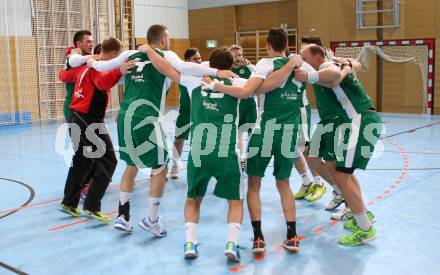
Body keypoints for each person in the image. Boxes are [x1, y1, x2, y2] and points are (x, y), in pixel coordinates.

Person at [84, 24, 236, 235]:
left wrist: (90, 60)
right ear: (163, 39)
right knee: (161, 166)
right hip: (145, 116)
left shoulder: (130, 53)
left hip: (125, 114)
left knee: (132, 164)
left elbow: (102, 67)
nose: (170, 40)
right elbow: (185, 67)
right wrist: (216, 71)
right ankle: (152, 219)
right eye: (169, 37)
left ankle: (122, 215)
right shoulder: (166, 54)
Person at [207, 28, 341, 254]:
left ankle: (258, 238)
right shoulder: (302, 66)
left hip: (265, 130)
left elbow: (251, 91)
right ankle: (292, 235)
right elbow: (334, 76)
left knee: (253, 184)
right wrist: (342, 67)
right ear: (287, 46)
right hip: (288, 132)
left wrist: (216, 85)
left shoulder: (265, 64)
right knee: (284, 184)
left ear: (268, 46)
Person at [297, 44, 383, 245]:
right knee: (339, 171)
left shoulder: (328, 65)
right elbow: (346, 70)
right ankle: (360, 214)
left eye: (305, 58)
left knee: (342, 175)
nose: (303, 62)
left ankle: (365, 227)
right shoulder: (326, 69)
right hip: (353, 121)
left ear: (318, 57)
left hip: (358, 121)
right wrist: (347, 67)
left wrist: (341, 69)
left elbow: (336, 73)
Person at [58, 37, 133, 222]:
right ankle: (92, 206)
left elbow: (66, 75)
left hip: (78, 116)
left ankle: (69, 202)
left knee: (83, 160)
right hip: (88, 119)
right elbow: (101, 83)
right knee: (108, 161)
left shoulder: (88, 65)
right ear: (115, 54)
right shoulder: (98, 65)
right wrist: (119, 71)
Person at [170, 48, 202, 179]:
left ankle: (200, 167)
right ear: (187, 61)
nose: (199, 61)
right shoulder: (180, 72)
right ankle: (175, 165)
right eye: (195, 59)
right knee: (179, 138)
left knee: (201, 140)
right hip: (185, 111)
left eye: (199, 58)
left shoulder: (204, 71)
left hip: (200, 111)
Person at [229, 45, 257, 169]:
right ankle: (241, 159)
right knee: (238, 134)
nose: (238, 57)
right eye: (235, 55)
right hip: (236, 107)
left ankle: (253, 159)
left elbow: (261, 77)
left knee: (253, 134)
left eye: (240, 55)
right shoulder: (227, 70)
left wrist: (250, 66)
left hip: (250, 105)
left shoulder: (249, 68)